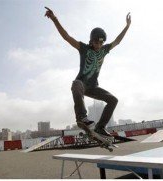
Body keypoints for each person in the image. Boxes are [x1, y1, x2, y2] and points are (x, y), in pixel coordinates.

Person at [44, 7, 131, 137]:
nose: (99, 45)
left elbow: (117, 41)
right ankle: (82, 118)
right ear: (91, 41)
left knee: (113, 100)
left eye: (101, 42)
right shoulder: (84, 48)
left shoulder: (104, 50)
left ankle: (100, 127)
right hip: (81, 84)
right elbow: (67, 37)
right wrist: (54, 19)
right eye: (96, 42)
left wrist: (127, 26)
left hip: (93, 87)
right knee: (76, 84)